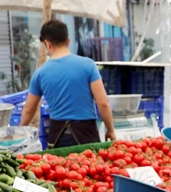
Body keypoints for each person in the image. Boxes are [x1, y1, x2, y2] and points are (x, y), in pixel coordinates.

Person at [21, 20, 116, 148]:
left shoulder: (40, 74)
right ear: (68, 41)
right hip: (87, 136)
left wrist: (19, 131)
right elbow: (103, 103)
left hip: (58, 138)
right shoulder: (88, 65)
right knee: (90, 167)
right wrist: (110, 130)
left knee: (62, 167)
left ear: (47, 44)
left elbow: (28, 110)